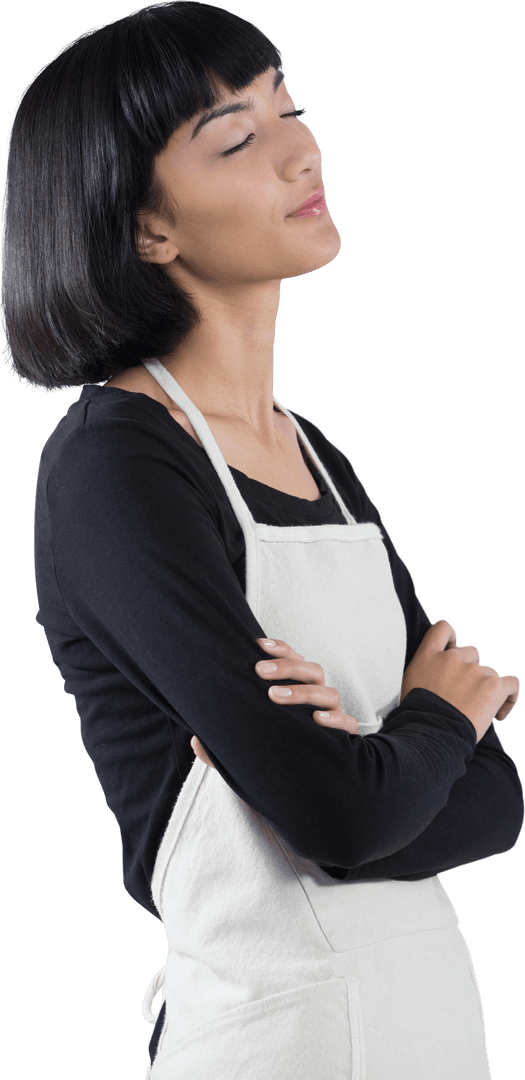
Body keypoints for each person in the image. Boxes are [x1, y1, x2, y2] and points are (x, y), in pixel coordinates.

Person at [2, 3, 522, 1077]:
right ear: (148, 229)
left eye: (290, 107)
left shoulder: (315, 455)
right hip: (272, 1043)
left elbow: (498, 803)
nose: (300, 146)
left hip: (431, 1029)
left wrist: (373, 771)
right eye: (237, 138)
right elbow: (338, 814)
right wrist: (432, 720)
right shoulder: (115, 467)